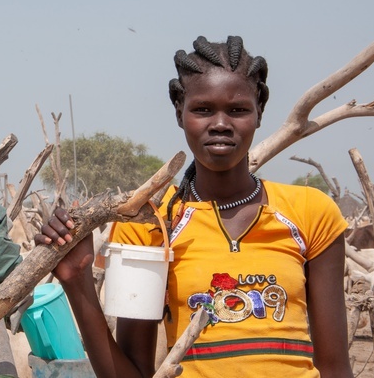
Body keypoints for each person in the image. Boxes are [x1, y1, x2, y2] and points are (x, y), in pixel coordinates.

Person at [36, 36, 352, 377]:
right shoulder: (149, 223)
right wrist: (76, 282)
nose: (220, 123)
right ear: (178, 111)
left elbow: (335, 367)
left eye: (238, 110)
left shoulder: (310, 213)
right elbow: (134, 373)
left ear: (259, 111)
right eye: (202, 109)